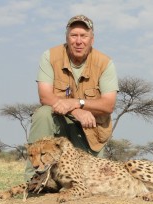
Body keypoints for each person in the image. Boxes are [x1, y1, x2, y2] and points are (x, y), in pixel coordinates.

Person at [25, 15, 119, 180]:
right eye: (74, 35)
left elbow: (109, 105)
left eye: (84, 36)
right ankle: (33, 179)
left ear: (92, 39)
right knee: (43, 113)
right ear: (67, 38)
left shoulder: (105, 63)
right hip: (59, 124)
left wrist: (77, 103)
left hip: (89, 131)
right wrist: (76, 111)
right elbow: (45, 96)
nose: (78, 41)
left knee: (92, 180)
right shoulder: (50, 56)